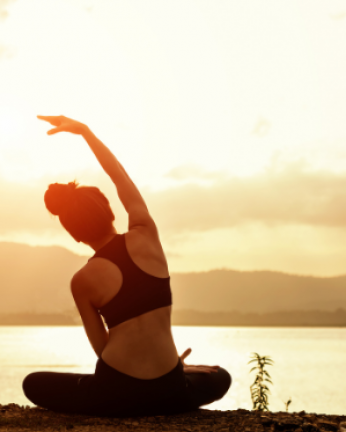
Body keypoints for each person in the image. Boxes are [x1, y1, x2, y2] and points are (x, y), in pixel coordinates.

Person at [22, 115, 231, 417]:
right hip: (170, 392)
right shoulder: (146, 234)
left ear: (75, 235)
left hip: (115, 396)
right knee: (219, 375)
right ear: (109, 211)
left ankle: (125, 394)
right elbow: (120, 176)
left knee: (34, 383)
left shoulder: (82, 281)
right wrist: (85, 132)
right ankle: (174, 377)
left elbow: (102, 349)